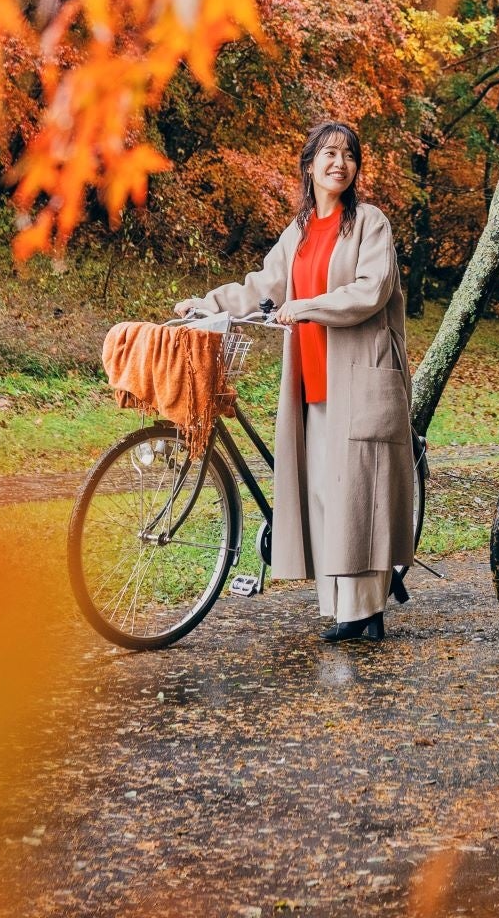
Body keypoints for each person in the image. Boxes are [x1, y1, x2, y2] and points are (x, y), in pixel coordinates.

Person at [177, 122, 415, 643]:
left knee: (358, 494)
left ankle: (366, 610)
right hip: (314, 381)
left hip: (360, 377)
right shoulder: (301, 231)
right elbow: (264, 286)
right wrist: (209, 303)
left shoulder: (370, 224)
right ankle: (343, 609)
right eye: (329, 154)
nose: (340, 163)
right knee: (327, 497)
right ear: (310, 166)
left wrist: (306, 306)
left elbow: (370, 290)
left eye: (349, 156)